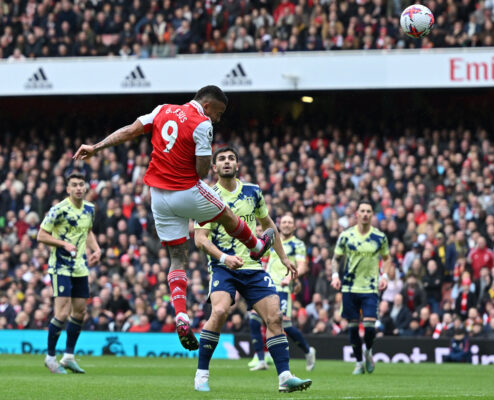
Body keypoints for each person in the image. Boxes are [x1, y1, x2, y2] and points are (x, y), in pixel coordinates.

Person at [73, 86, 274, 351]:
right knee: (225, 212)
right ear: (209, 105)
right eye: (219, 112)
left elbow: (130, 131)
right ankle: (256, 247)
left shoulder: (161, 110)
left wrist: (97, 147)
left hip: (157, 196)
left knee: (178, 257)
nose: (218, 118)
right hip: (185, 190)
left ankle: (180, 314)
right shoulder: (202, 123)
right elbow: (203, 170)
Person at [193, 146, 311, 393]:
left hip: (253, 267)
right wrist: (224, 258)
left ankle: (285, 378)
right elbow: (200, 239)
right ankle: (202, 373)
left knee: (275, 317)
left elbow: (268, 225)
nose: (227, 162)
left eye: (231, 158)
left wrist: (284, 257)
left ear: (238, 164)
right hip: (222, 266)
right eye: (222, 159)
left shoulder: (253, 192)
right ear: (214, 167)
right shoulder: (206, 196)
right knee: (221, 310)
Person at [37, 172, 101, 374]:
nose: (78, 188)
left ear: (86, 187)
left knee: (80, 312)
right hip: (60, 266)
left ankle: (69, 356)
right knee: (62, 313)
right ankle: (50, 357)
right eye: (74, 185)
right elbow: (41, 235)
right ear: (68, 189)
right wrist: (63, 243)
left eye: (81, 184)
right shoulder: (59, 210)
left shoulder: (90, 208)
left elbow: (87, 231)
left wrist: (96, 249)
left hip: (80, 267)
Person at [330, 200, 393, 375]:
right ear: (357, 214)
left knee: (370, 326)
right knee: (352, 328)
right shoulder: (346, 236)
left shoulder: (379, 237)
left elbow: (387, 259)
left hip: (370, 288)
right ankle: (358, 362)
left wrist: (385, 276)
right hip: (349, 288)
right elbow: (335, 259)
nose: (365, 214)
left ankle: (369, 351)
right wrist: (335, 276)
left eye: (368, 211)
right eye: (362, 211)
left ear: (372, 215)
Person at [260, 213, 316, 371]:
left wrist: (291, 279)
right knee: (266, 321)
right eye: (284, 221)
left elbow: (303, 265)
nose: (286, 224)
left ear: (294, 226)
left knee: (283, 322)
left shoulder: (297, 244)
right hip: (267, 286)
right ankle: (265, 355)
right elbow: (264, 261)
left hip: (284, 286)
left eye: (289, 222)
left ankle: (306, 351)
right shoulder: (270, 241)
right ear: (279, 224)